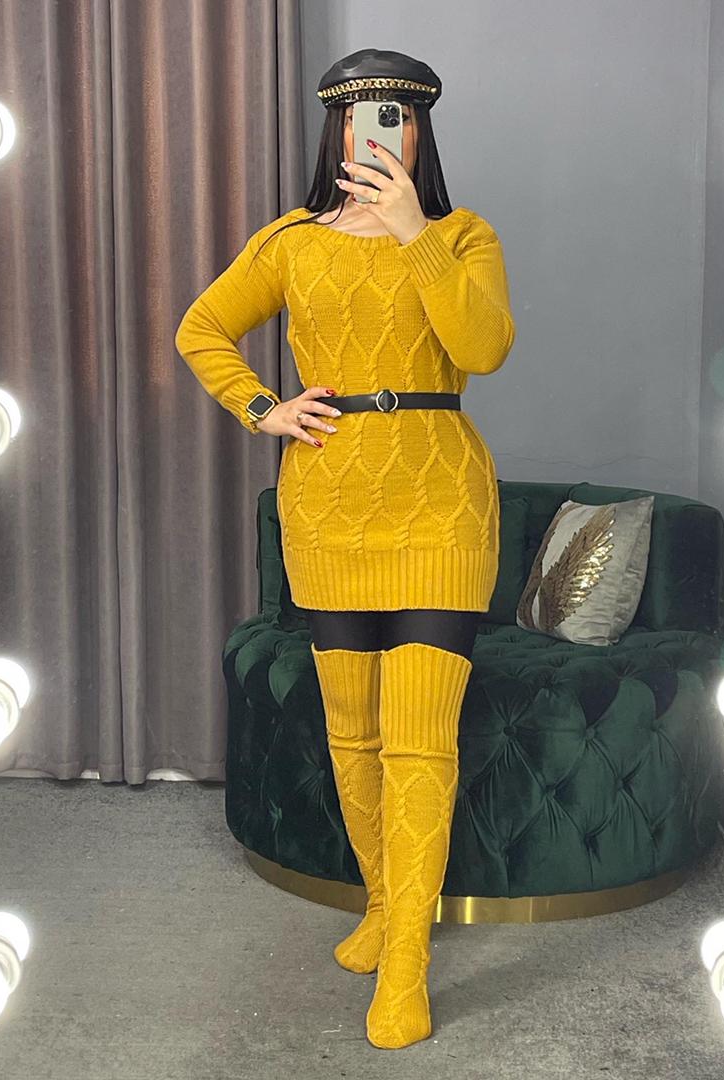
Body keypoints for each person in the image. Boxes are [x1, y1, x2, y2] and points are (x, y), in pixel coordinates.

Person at [174, 47, 516, 1050]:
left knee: (420, 740)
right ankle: (382, 903)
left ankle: (407, 962)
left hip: (441, 506)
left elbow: (484, 348)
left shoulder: (464, 234)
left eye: (401, 116)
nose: (384, 132)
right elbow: (203, 329)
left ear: (422, 131)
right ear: (337, 129)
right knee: (354, 734)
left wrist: (415, 234)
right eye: (368, 115)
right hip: (327, 508)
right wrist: (263, 408)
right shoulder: (290, 241)